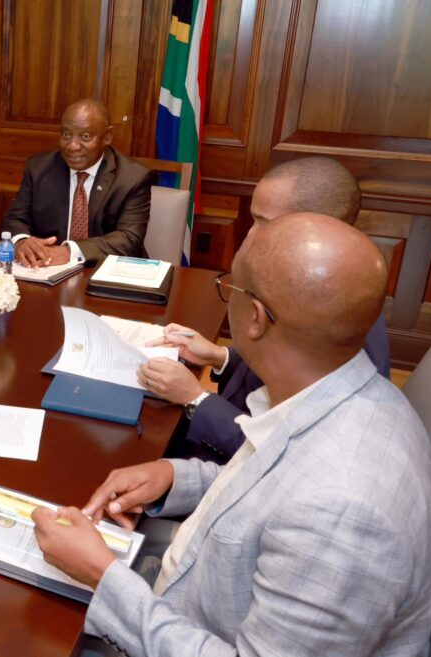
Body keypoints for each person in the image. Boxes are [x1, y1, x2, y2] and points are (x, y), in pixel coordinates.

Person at [32, 213, 431, 656]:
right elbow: (271, 483)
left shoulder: (342, 514)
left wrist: (102, 576)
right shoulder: (341, 392)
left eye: (232, 288)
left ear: (256, 318)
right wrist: (174, 475)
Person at [140, 156, 390, 463]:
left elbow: (282, 455)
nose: (249, 235)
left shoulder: (337, 320)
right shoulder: (316, 285)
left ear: (318, 228)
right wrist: (219, 357)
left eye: (265, 223)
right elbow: (277, 369)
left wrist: (195, 397)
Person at [1, 98, 156, 267]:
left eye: (86, 136)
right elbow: (15, 219)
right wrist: (21, 241)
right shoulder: (38, 168)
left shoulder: (132, 178)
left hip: (106, 273)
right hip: (47, 273)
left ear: (107, 136)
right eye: (66, 134)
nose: (72, 146)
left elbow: (129, 239)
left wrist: (71, 251)